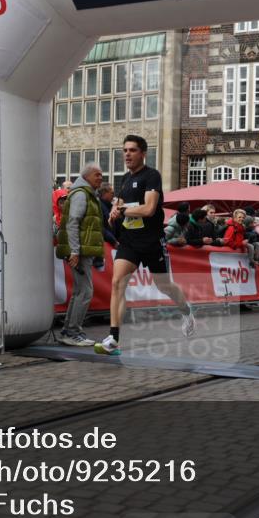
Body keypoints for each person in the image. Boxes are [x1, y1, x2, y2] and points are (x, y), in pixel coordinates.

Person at [100, 135, 194, 356]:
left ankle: (186, 310)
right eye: (124, 150)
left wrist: (122, 210)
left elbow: (149, 209)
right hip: (130, 241)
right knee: (117, 283)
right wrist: (115, 210)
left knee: (164, 285)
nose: (127, 154)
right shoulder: (123, 179)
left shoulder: (152, 176)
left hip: (152, 241)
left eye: (132, 150)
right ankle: (114, 337)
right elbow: (121, 203)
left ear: (143, 153)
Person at [55, 163, 105, 347]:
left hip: (82, 250)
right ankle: (72, 332)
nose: (101, 178)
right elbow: (73, 223)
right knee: (85, 292)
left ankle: (69, 331)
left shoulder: (85, 193)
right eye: (98, 175)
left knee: (80, 291)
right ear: (88, 176)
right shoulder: (82, 194)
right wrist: (75, 250)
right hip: (80, 251)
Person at [98, 181, 119, 247]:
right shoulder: (99, 206)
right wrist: (113, 241)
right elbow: (100, 227)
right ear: (104, 193)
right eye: (112, 193)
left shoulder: (109, 206)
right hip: (105, 244)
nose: (113, 195)